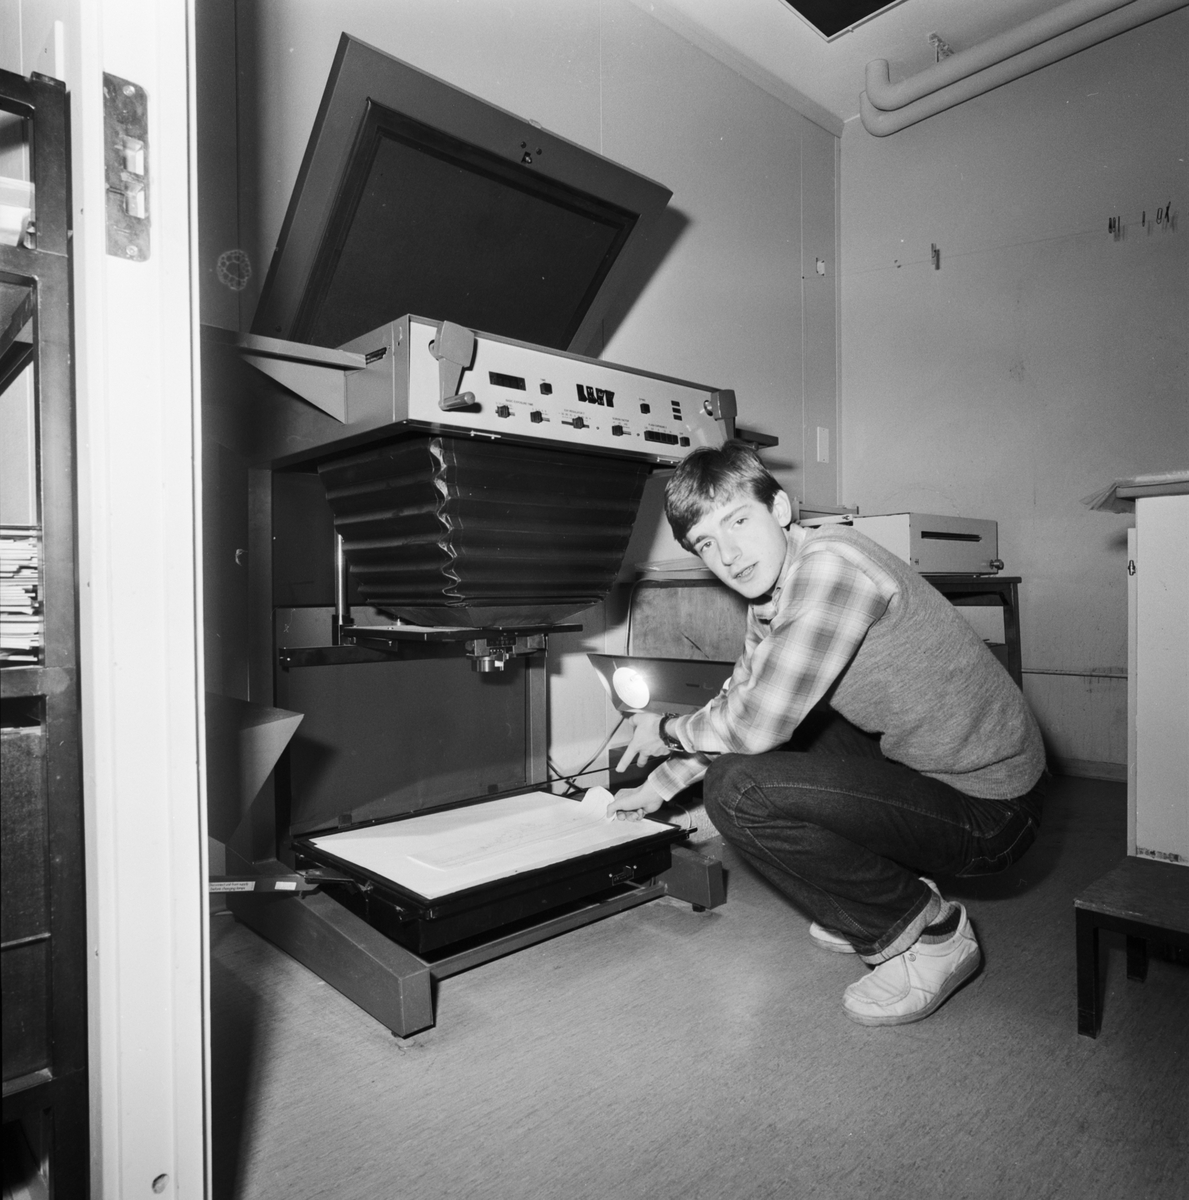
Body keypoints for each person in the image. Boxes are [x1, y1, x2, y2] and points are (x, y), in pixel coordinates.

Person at [606, 441, 1046, 1026]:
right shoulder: (772, 594)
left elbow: (754, 726)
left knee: (738, 789)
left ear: (780, 509)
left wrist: (666, 730)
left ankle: (932, 934)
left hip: (995, 810)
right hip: (931, 769)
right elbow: (743, 701)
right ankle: (870, 898)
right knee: (783, 737)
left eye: (738, 521)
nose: (728, 555)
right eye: (706, 543)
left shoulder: (830, 566)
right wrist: (658, 787)